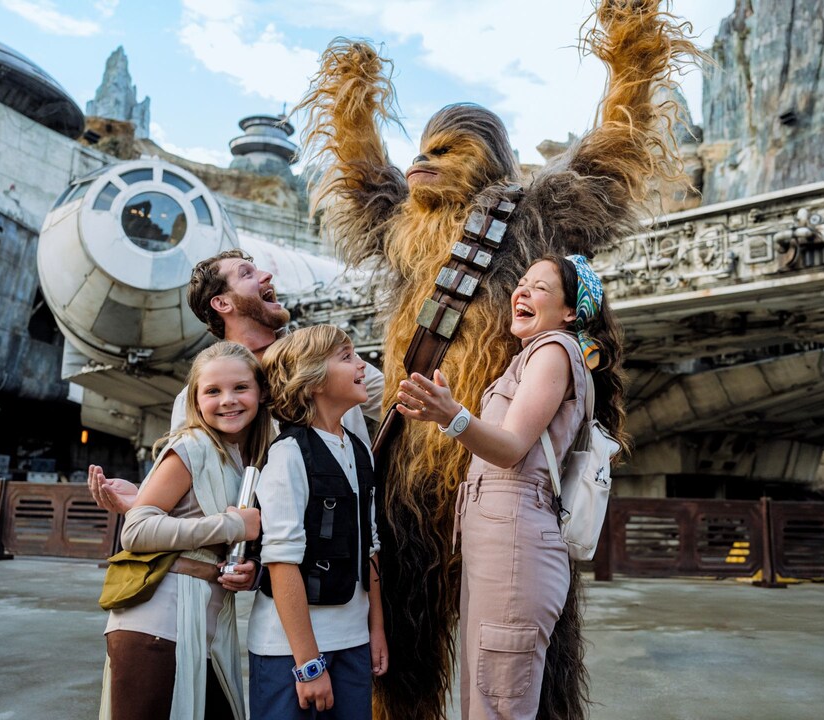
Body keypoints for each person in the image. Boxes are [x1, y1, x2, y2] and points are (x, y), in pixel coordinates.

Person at [293, 4, 700, 715]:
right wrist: (354, 94)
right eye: (422, 147)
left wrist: (631, 56)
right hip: (414, 475)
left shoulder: (534, 212)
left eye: (446, 150)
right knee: (403, 661)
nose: (423, 161)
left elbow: (609, 152)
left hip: (512, 490)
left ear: (489, 159)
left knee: (528, 666)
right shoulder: (404, 226)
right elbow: (362, 176)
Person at [396, 255, 627, 720]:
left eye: (539, 287)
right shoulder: (534, 355)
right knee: (487, 696)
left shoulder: (554, 351)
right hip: (503, 540)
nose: (521, 292)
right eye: (521, 283)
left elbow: (510, 448)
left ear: (569, 311)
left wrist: (451, 415)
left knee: (497, 704)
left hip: (516, 543)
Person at [89, 249, 384, 590]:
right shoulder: (196, 399)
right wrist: (148, 498)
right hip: (285, 575)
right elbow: (211, 491)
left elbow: (400, 398)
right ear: (222, 304)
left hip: (364, 551)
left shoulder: (323, 356)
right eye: (247, 274)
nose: (266, 276)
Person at [98, 341, 272, 720]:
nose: (228, 400)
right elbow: (136, 530)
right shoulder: (191, 446)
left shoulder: (247, 457)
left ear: (260, 391)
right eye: (213, 391)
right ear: (196, 400)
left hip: (204, 626)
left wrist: (250, 571)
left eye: (240, 387)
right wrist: (231, 525)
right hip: (156, 626)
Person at [251, 325, 388, 719]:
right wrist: (309, 664)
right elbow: (280, 562)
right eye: (346, 357)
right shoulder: (289, 454)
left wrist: (374, 630)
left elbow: (371, 546)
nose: (363, 365)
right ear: (311, 380)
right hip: (289, 655)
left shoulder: (359, 450)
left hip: (354, 644)